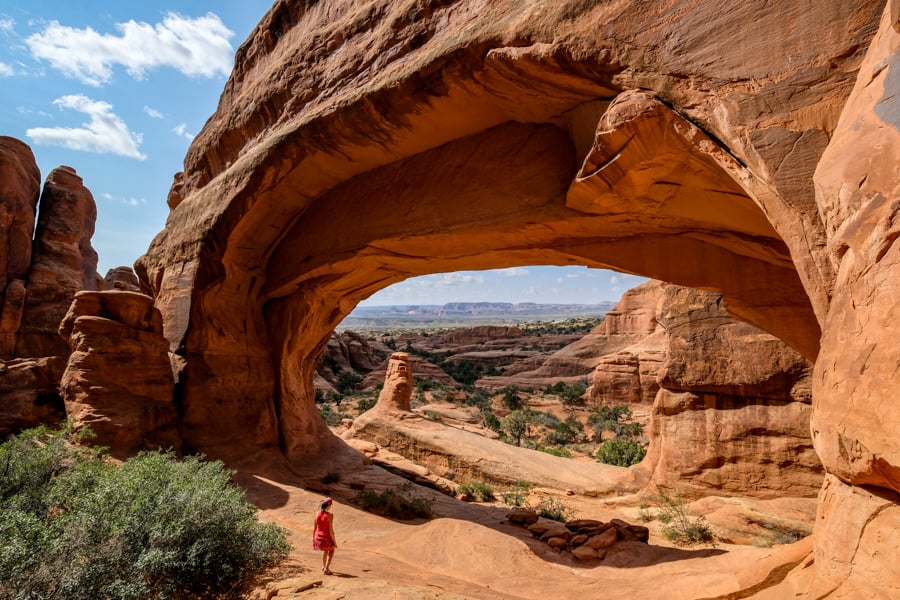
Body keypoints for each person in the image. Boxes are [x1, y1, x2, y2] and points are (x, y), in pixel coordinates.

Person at [312, 497, 337, 575]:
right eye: (331, 505)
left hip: (317, 538)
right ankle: (326, 568)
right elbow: (331, 531)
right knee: (332, 549)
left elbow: (314, 528)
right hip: (325, 538)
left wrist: (313, 539)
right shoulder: (330, 515)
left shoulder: (317, 513)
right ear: (329, 505)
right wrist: (335, 542)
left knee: (326, 550)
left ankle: (323, 566)